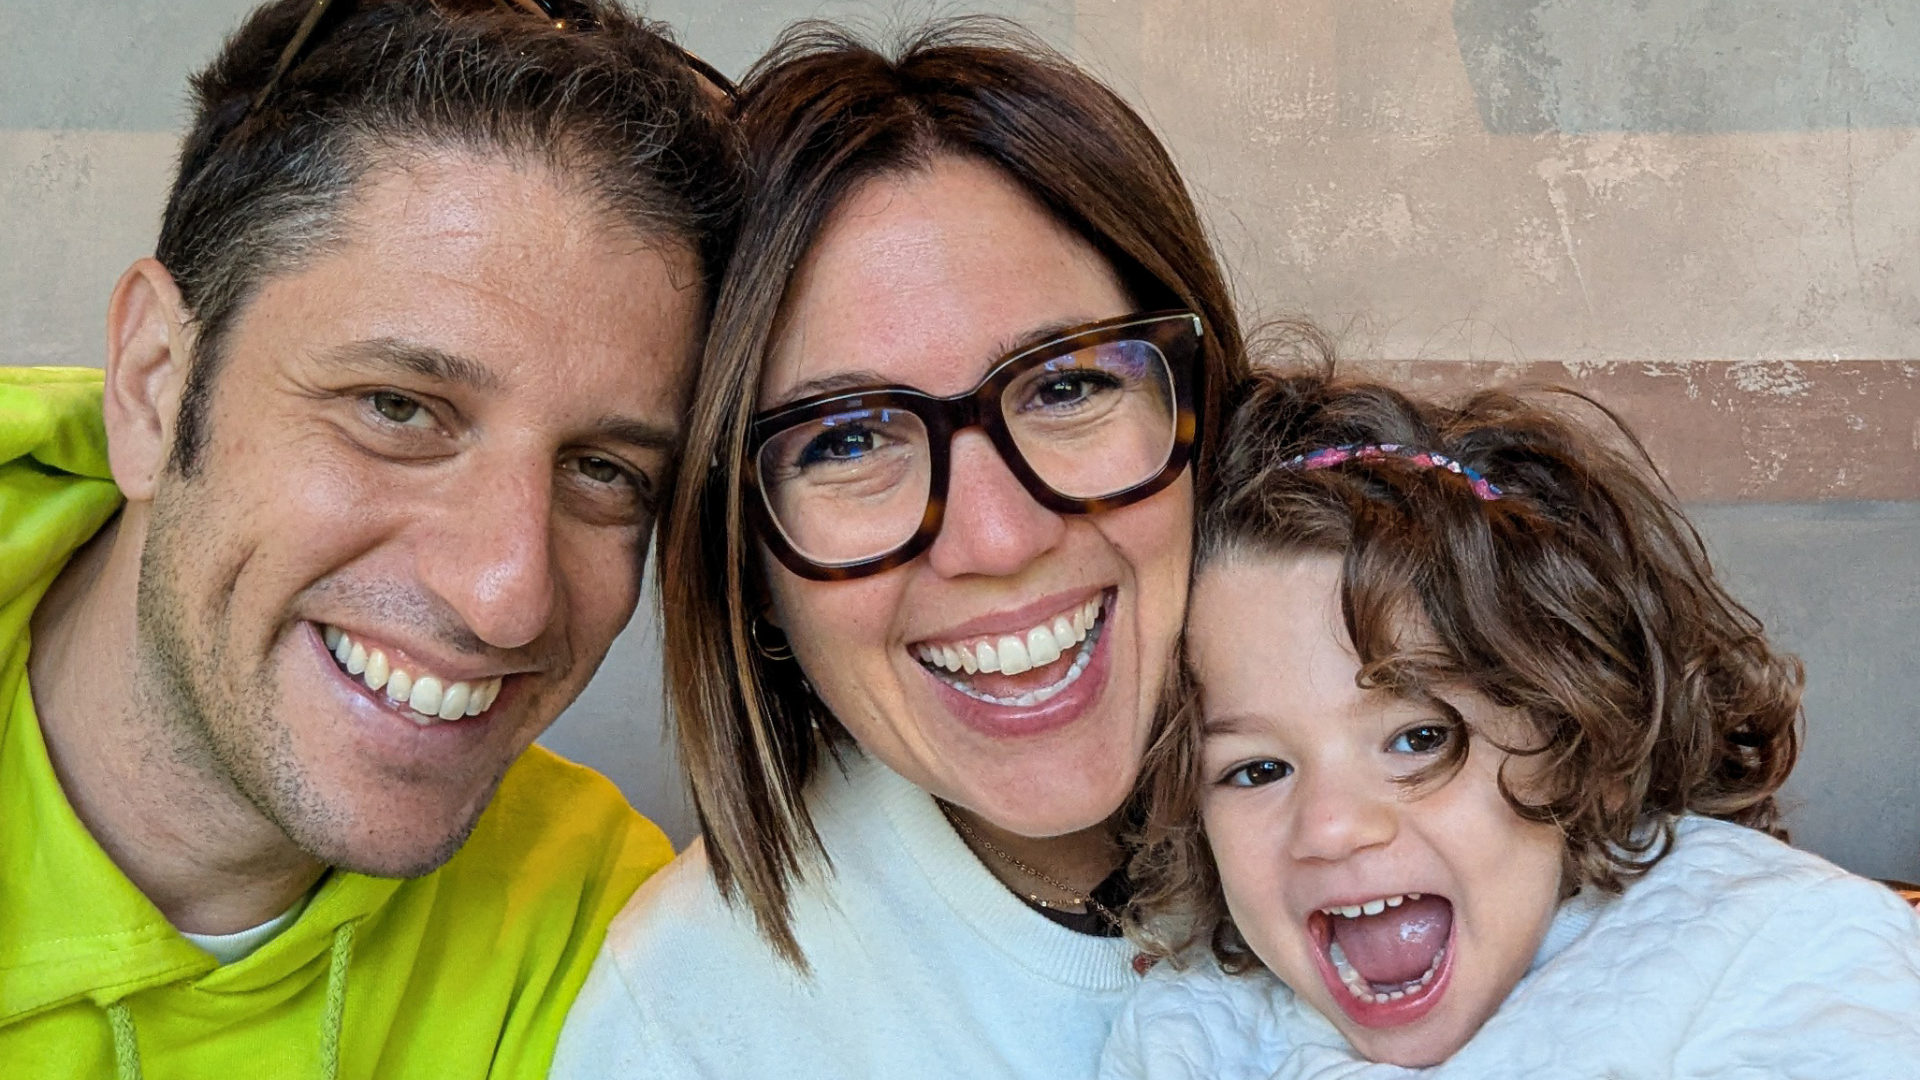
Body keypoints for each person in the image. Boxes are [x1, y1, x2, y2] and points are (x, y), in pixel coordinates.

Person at [0, 2, 740, 1077]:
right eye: (398, 409)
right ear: (155, 386)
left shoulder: (600, 931)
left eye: (604, 471)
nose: (507, 596)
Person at [551, 18, 1251, 1079]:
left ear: (1201, 408)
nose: (999, 538)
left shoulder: (1471, 795)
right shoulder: (683, 1029)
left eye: (1067, 386)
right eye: (846, 442)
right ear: (748, 562)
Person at [1101, 370, 1920, 1078]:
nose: (1331, 827)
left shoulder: (1777, 948)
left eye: (1420, 738)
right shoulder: (1197, 1027)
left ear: (1584, 747)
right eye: (1257, 770)